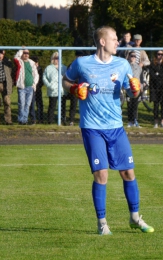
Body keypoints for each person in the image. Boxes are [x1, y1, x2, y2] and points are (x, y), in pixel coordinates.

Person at [62, 25, 154, 235]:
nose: (117, 42)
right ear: (102, 42)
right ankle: (102, 223)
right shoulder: (82, 63)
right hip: (92, 128)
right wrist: (74, 89)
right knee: (101, 175)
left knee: (128, 172)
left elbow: (131, 93)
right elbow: (66, 81)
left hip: (116, 127)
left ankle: (135, 218)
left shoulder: (122, 65)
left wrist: (135, 90)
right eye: (114, 39)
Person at [14, 48, 39, 125]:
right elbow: (15, 57)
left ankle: (25, 120)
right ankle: (21, 120)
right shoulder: (20, 62)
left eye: (27, 53)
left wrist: (34, 84)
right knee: (22, 104)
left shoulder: (32, 63)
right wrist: (21, 50)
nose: (26, 54)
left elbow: (36, 75)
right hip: (22, 87)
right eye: (24, 53)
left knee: (27, 105)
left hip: (30, 87)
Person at [43, 52, 67, 124]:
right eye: (56, 58)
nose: (57, 60)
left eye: (59, 58)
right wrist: (49, 86)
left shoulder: (64, 67)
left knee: (63, 106)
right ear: (52, 59)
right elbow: (44, 78)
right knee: (52, 106)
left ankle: (63, 120)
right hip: (53, 90)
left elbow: (67, 77)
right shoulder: (48, 68)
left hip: (62, 90)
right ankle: (50, 120)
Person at [148, 50, 163, 128]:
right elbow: (152, 75)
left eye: (161, 54)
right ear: (156, 55)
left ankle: (162, 121)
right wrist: (161, 75)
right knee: (156, 104)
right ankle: (156, 122)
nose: (160, 56)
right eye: (158, 54)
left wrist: (158, 74)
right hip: (154, 87)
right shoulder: (153, 64)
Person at [61, 50, 84, 126]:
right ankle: (68, 119)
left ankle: (73, 120)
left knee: (76, 105)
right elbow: (68, 77)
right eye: (78, 56)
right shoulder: (71, 65)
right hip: (73, 86)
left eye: (81, 56)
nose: (80, 57)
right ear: (76, 56)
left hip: (82, 87)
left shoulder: (85, 65)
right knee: (71, 104)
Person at [126, 50, 144, 128]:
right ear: (129, 57)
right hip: (128, 88)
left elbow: (141, 78)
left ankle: (135, 121)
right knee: (129, 104)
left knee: (135, 105)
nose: (133, 58)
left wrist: (142, 87)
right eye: (131, 56)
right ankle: (130, 121)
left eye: (134, 56)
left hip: (137, 89)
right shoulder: (126, 66)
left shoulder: (139, 67)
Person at [29, 56, 44, 124]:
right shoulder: (30, 69)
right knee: (31, 104)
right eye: (35, 62)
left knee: (39, 104)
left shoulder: (40, 69)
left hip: (38, 89)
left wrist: (38, 86)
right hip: (31, 88)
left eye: (37, 62)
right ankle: (33, 119)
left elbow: (41, 80)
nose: (36, 64)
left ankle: (40, 118)